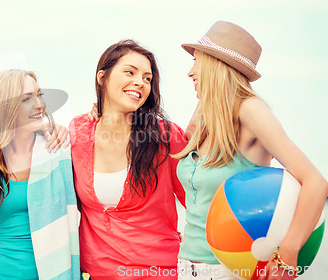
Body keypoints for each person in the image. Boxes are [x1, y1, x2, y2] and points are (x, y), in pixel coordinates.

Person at [174, 21, 328, 280]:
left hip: (230, 272)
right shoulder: (204, 113)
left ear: (216, 64)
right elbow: (173, 143)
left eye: (196, 61)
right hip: (186, 267)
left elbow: (316, 182)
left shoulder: (252, 111)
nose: (190, 72)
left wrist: (288, 254)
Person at [70, 40, 187, 279]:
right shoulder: (77, 131)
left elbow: (197, 199)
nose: (140, 83)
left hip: (160, 271)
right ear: (102, 77)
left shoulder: (165, 135)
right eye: (130, 72)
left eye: (147, 78)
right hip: (95, 273)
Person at [0, 69, 80, 280]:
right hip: (1, 274)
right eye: (27, 98)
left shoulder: (58, 151)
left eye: (39, 95)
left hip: (56, 273)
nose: (39, 104)